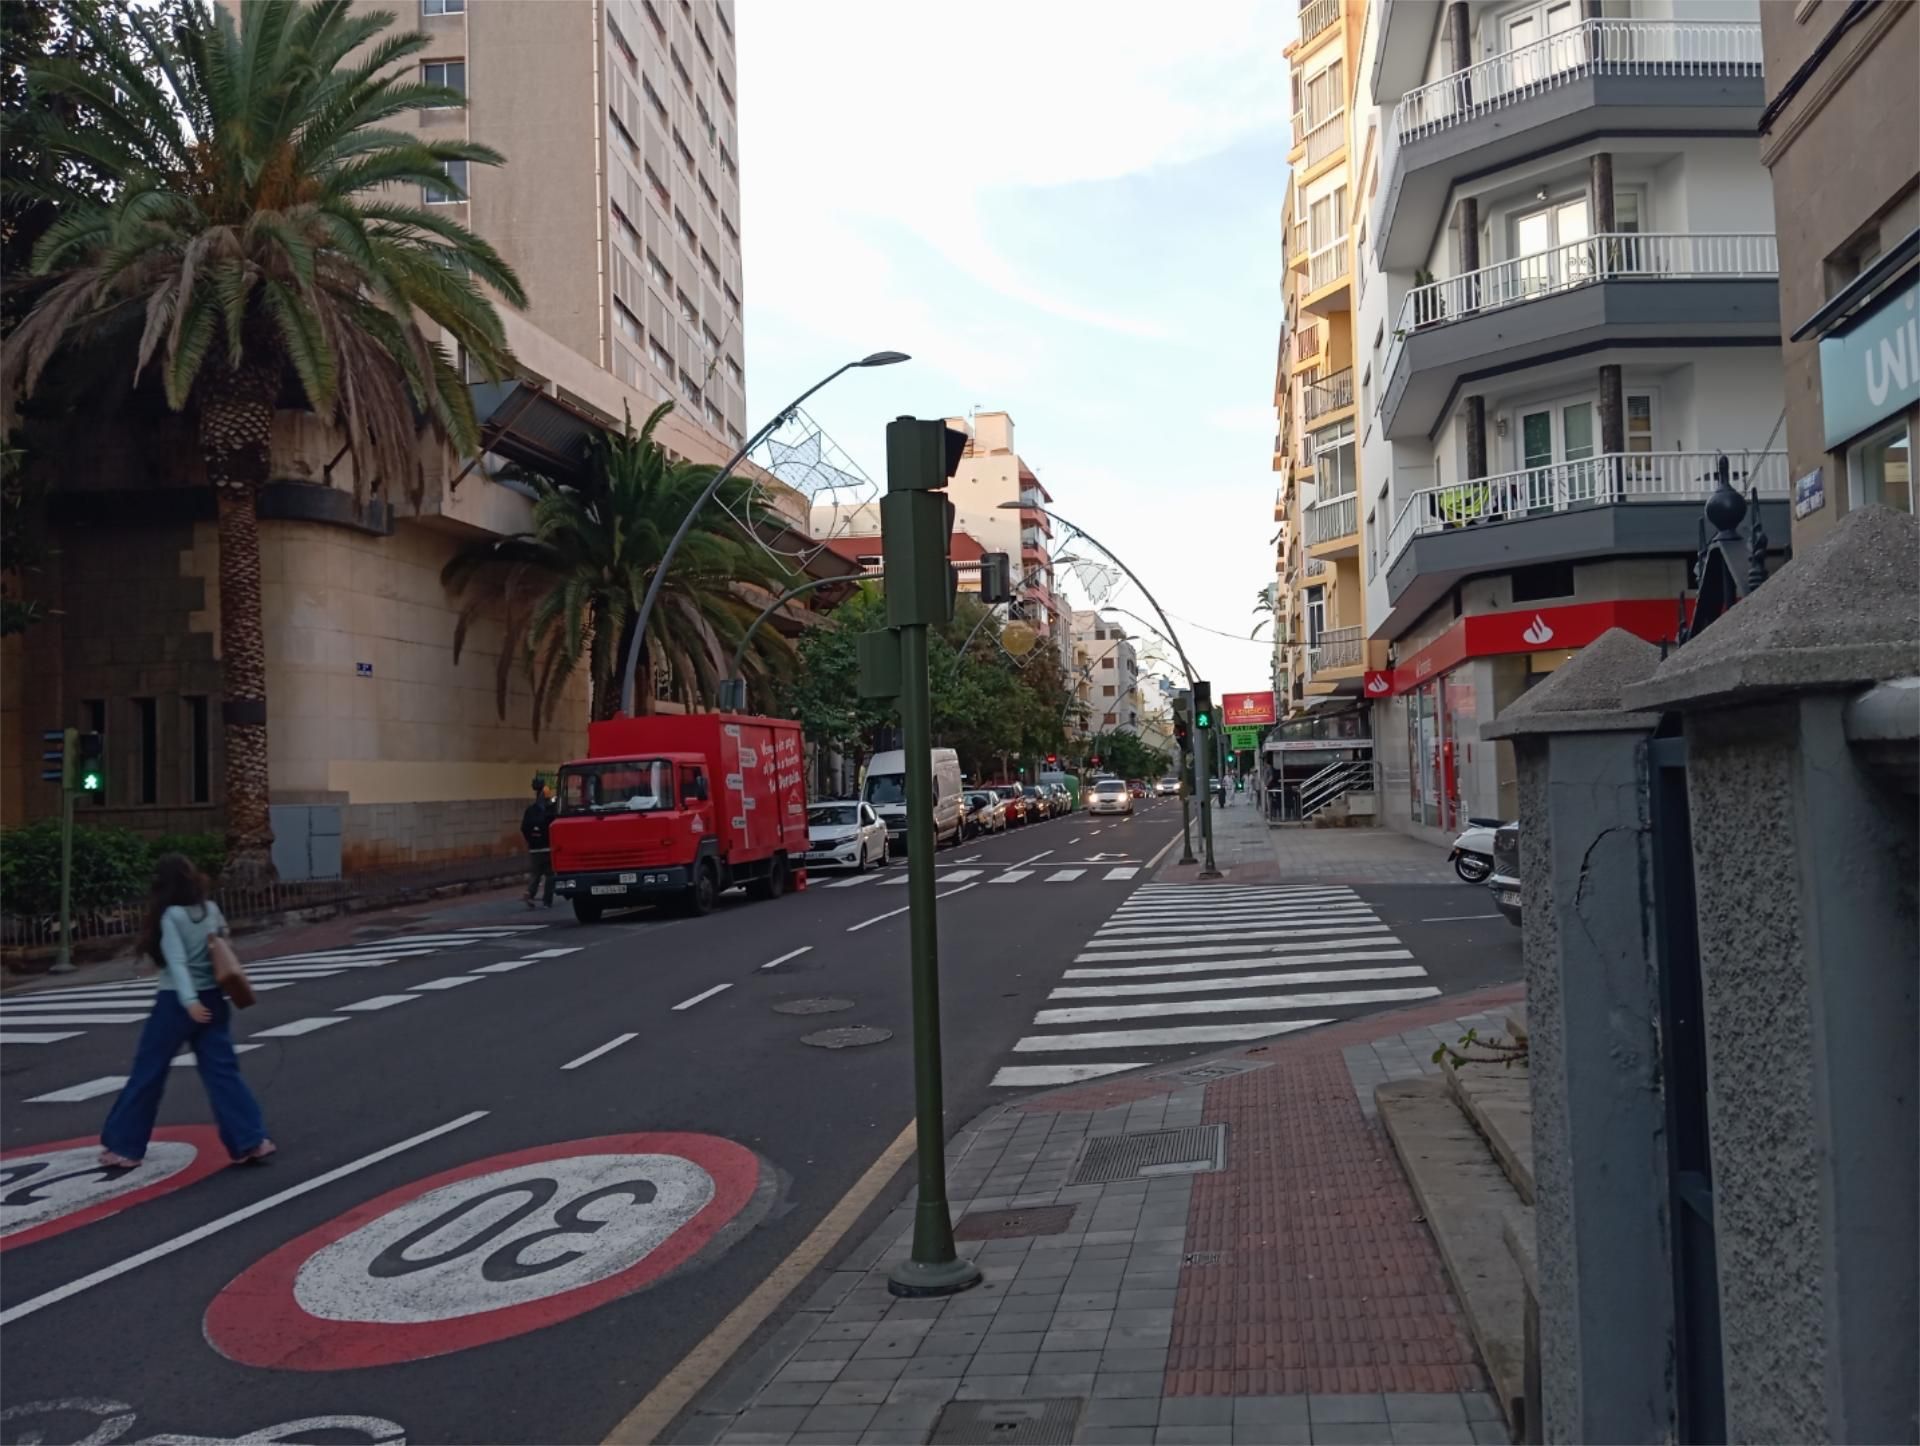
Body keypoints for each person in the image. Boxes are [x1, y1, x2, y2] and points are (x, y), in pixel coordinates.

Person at [98, 855, 273, 1169]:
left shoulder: (171, 917)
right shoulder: (212, 910)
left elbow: (177, 963)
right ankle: (251, 1140)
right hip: (215, 998)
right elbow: (223, 944)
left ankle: (125, 1147)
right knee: (222, 1073)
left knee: (149, 1071)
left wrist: (189, 1001)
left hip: (176, 1003)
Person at [522, 775, 557, 908]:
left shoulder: (530, 810)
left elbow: (524, 827)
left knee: (535, 873)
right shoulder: (550, 811)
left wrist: (530, 841)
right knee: (550, 874)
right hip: (547, 847)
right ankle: (547, 900)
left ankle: (529, 893)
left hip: (534, 848)